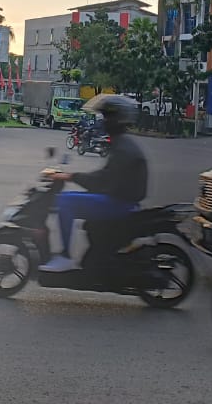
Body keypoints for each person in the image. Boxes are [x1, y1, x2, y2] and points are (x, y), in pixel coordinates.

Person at [39, 94, 147, 273]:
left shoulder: (123, 148)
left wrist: (71, 177)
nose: (103, 121)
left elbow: (102, 180)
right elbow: (104, 178)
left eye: (107, 117)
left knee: (65, 201)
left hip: (120, 203)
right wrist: (73, 176)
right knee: (69, 200)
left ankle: (65, 256)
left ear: (116, 120)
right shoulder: (122, 143)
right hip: (120, 198)